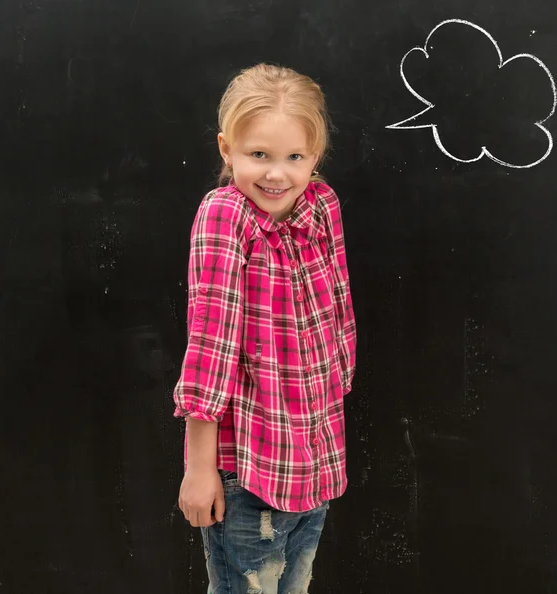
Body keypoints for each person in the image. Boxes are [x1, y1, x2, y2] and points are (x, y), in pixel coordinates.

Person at [173, 63, 356, 594]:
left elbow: (340, 313)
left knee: (295, 586)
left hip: (314, 455)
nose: (277, 174)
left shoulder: (321, 207)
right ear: (227, 149)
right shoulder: (225, 216)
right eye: (259, 155)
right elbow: (210, 346)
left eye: (294, 157)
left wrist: (331, 401)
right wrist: (200, 469)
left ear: (314, 157)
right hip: (247, 468)